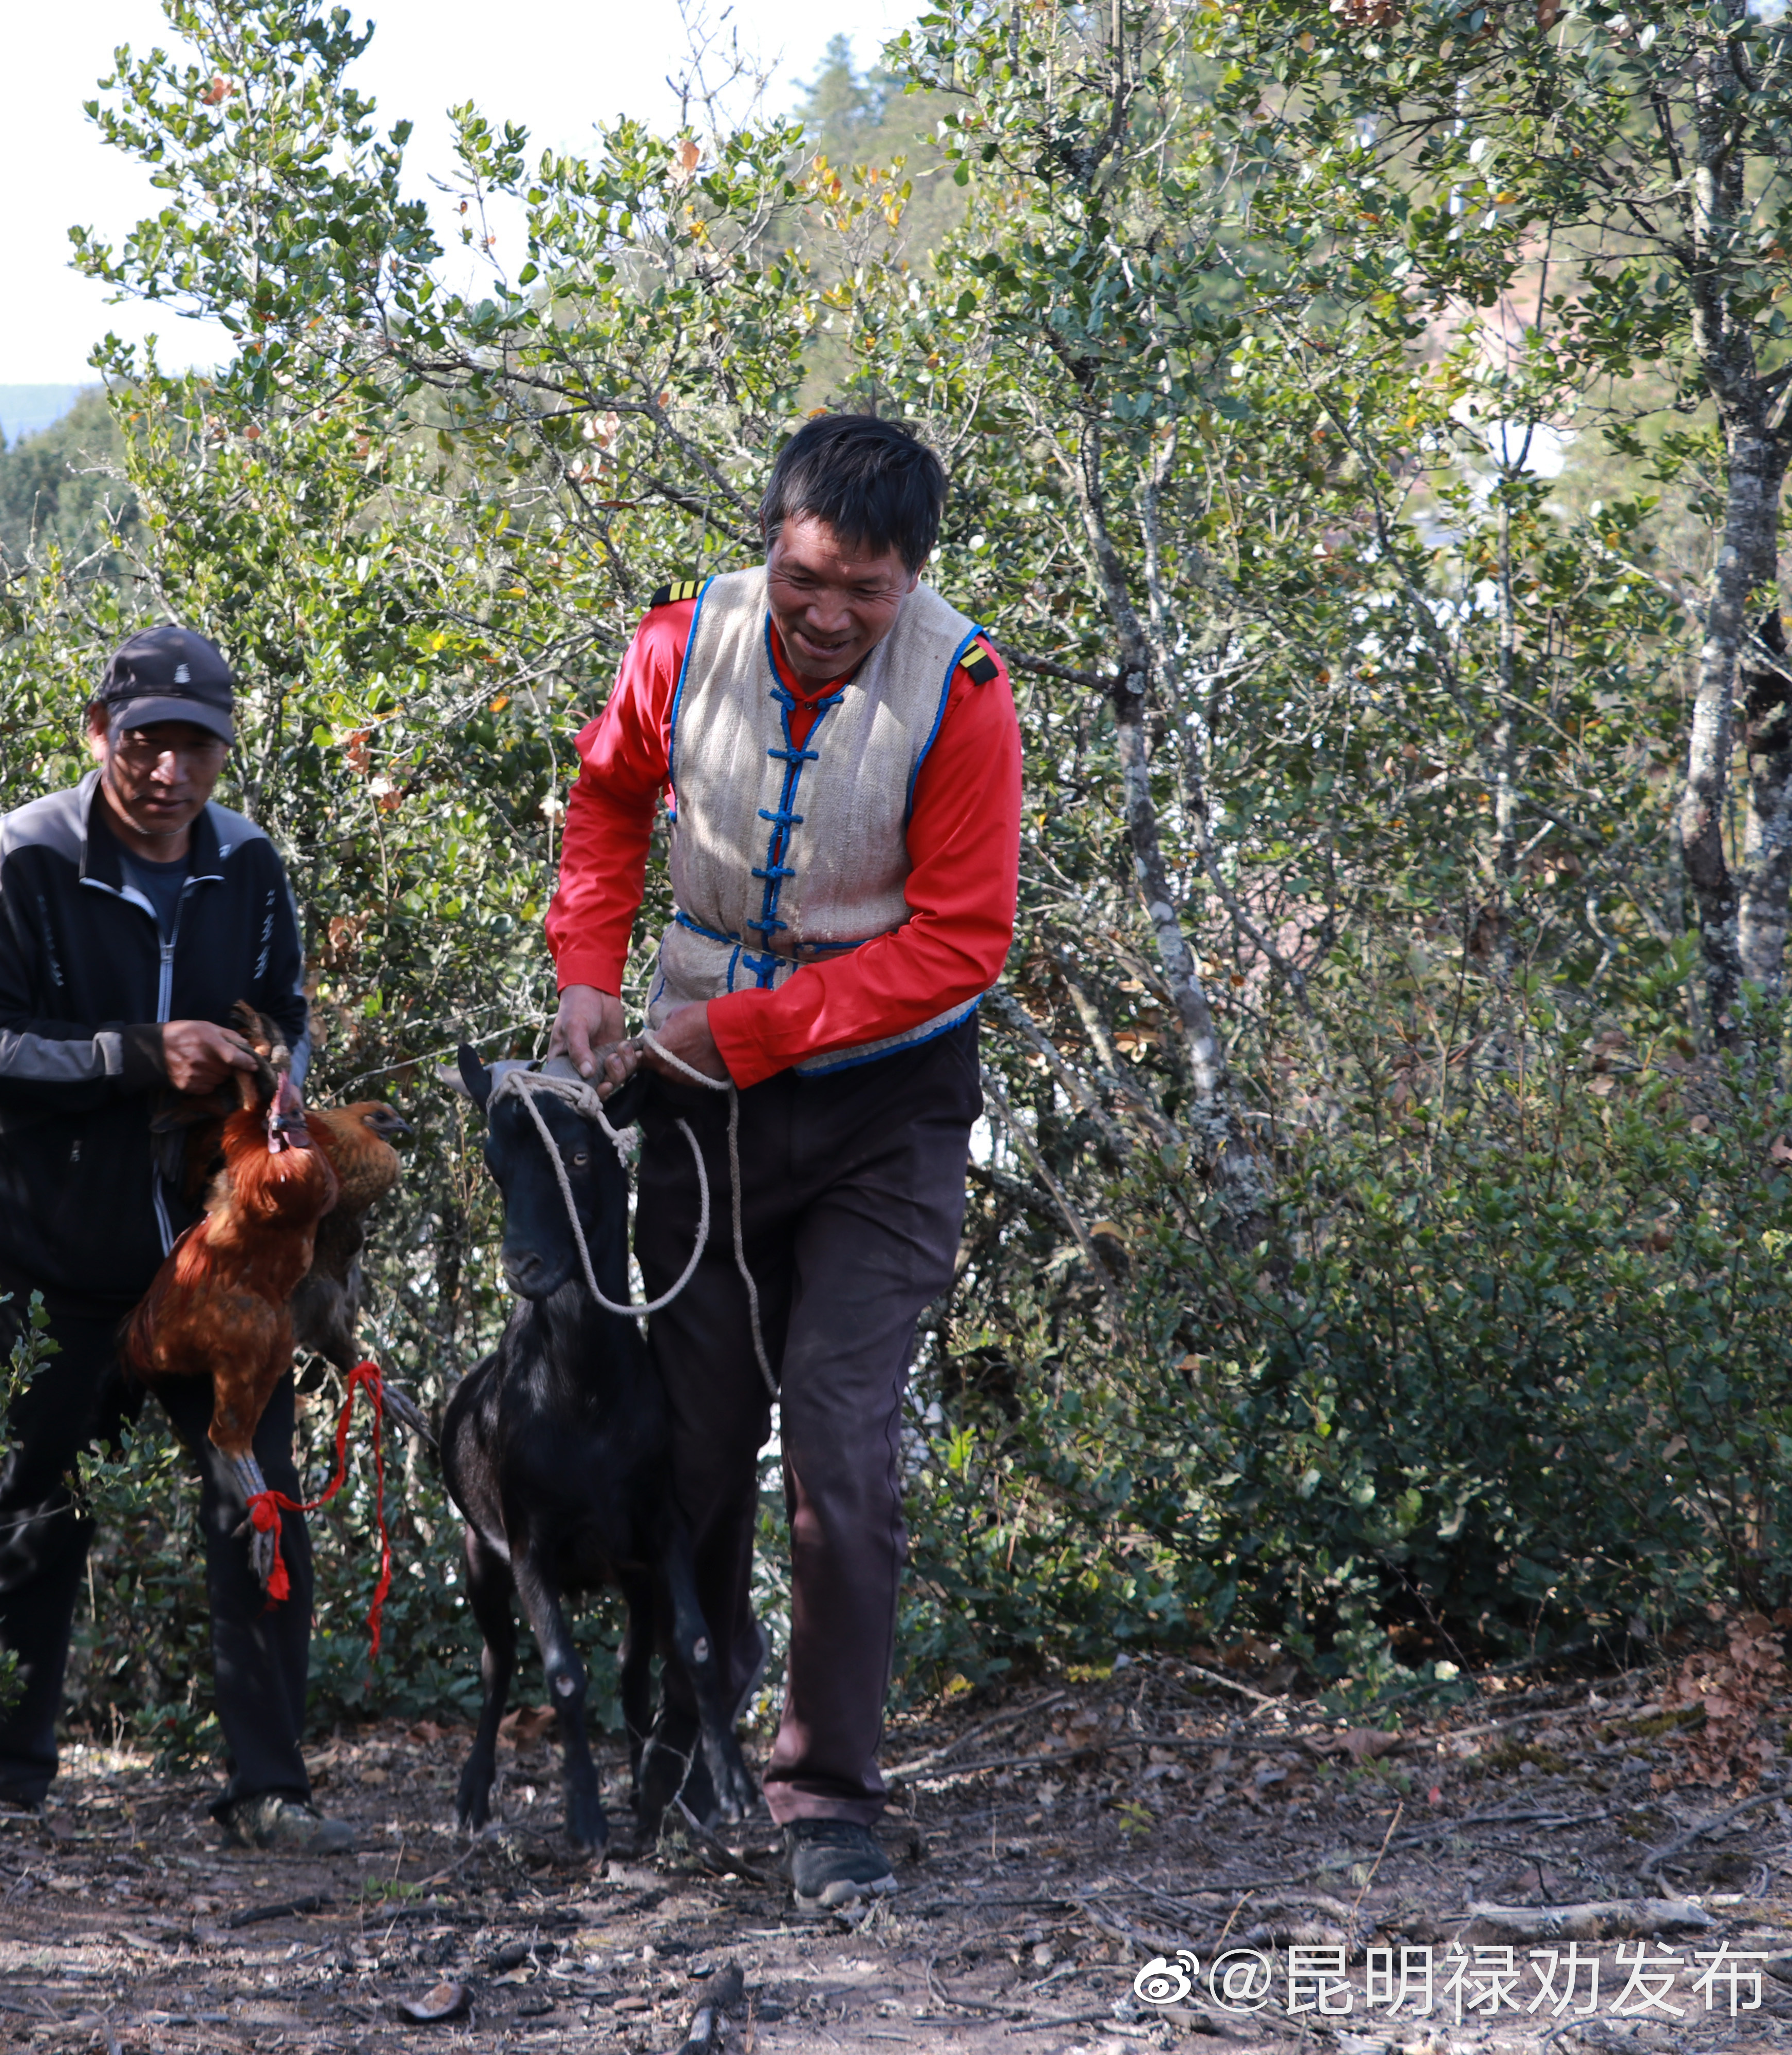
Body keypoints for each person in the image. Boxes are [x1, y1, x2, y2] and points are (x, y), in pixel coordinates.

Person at [545, 414, 1024, 1908]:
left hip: (884, 1114)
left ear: (909, 580)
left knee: (836, 1445)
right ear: (771, 544)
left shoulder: (964, 691)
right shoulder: (679, 643)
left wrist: (743, 1032)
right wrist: (582, 968)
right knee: (686, 1439)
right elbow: (608, 796)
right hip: (700, 1114)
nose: (824, 613)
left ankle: (825, 1800)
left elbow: (961, 941)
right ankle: (680, 1732)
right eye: (804, 574)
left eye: (861, 588)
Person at [0, 623, 351, 1853]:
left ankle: (268, 1788)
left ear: (226, 752)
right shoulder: (25, 857)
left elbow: (288, 1015)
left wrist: (274, 1087)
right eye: (145, 741)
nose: (169, 771)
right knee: (36, 1517)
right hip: (60, 1261)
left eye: (197, 747)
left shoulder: (250, 864)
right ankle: (8, 1782)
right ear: (98, 734)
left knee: (257, 1506)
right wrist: (131, 1054)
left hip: (223, 1266)